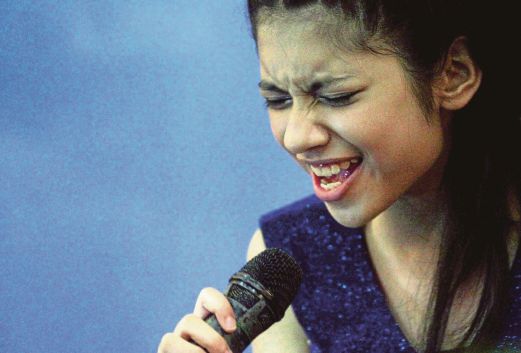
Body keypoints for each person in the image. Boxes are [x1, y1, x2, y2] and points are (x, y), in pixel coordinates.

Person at [158, 0, 521, 352]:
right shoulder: (291, 255)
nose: (297, 137)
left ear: (453, 75)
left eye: (336, 95)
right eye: (278, 100)